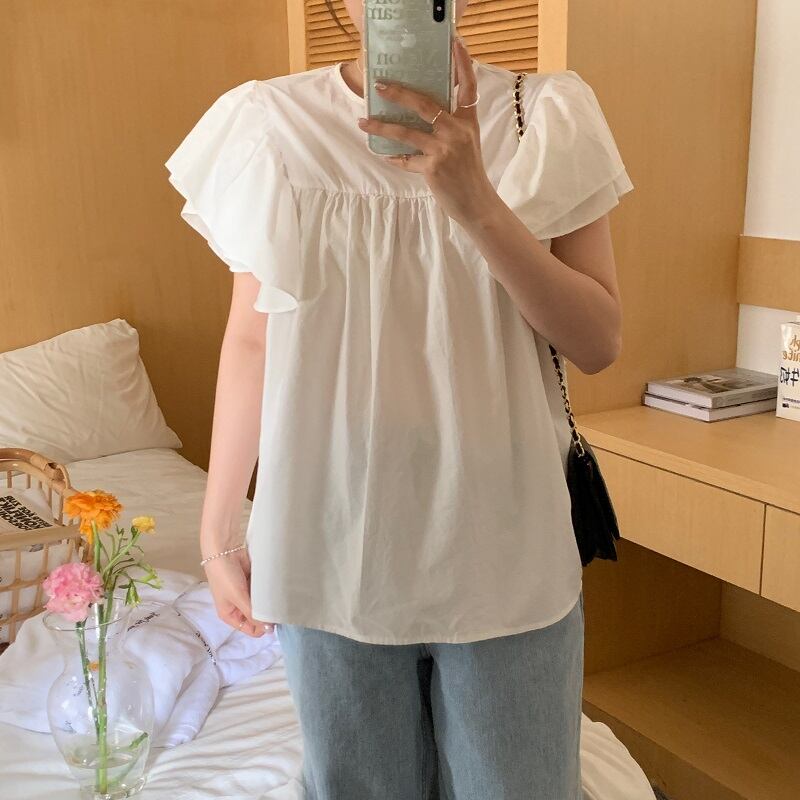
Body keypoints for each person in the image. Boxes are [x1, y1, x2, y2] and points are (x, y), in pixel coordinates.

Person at [164, 0, 634, 796]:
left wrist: (478, 202)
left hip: (504, 545)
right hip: (326, 538)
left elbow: (598, 342)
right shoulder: (269, 126)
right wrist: (218, 528)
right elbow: (253, 340)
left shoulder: (548, 114)